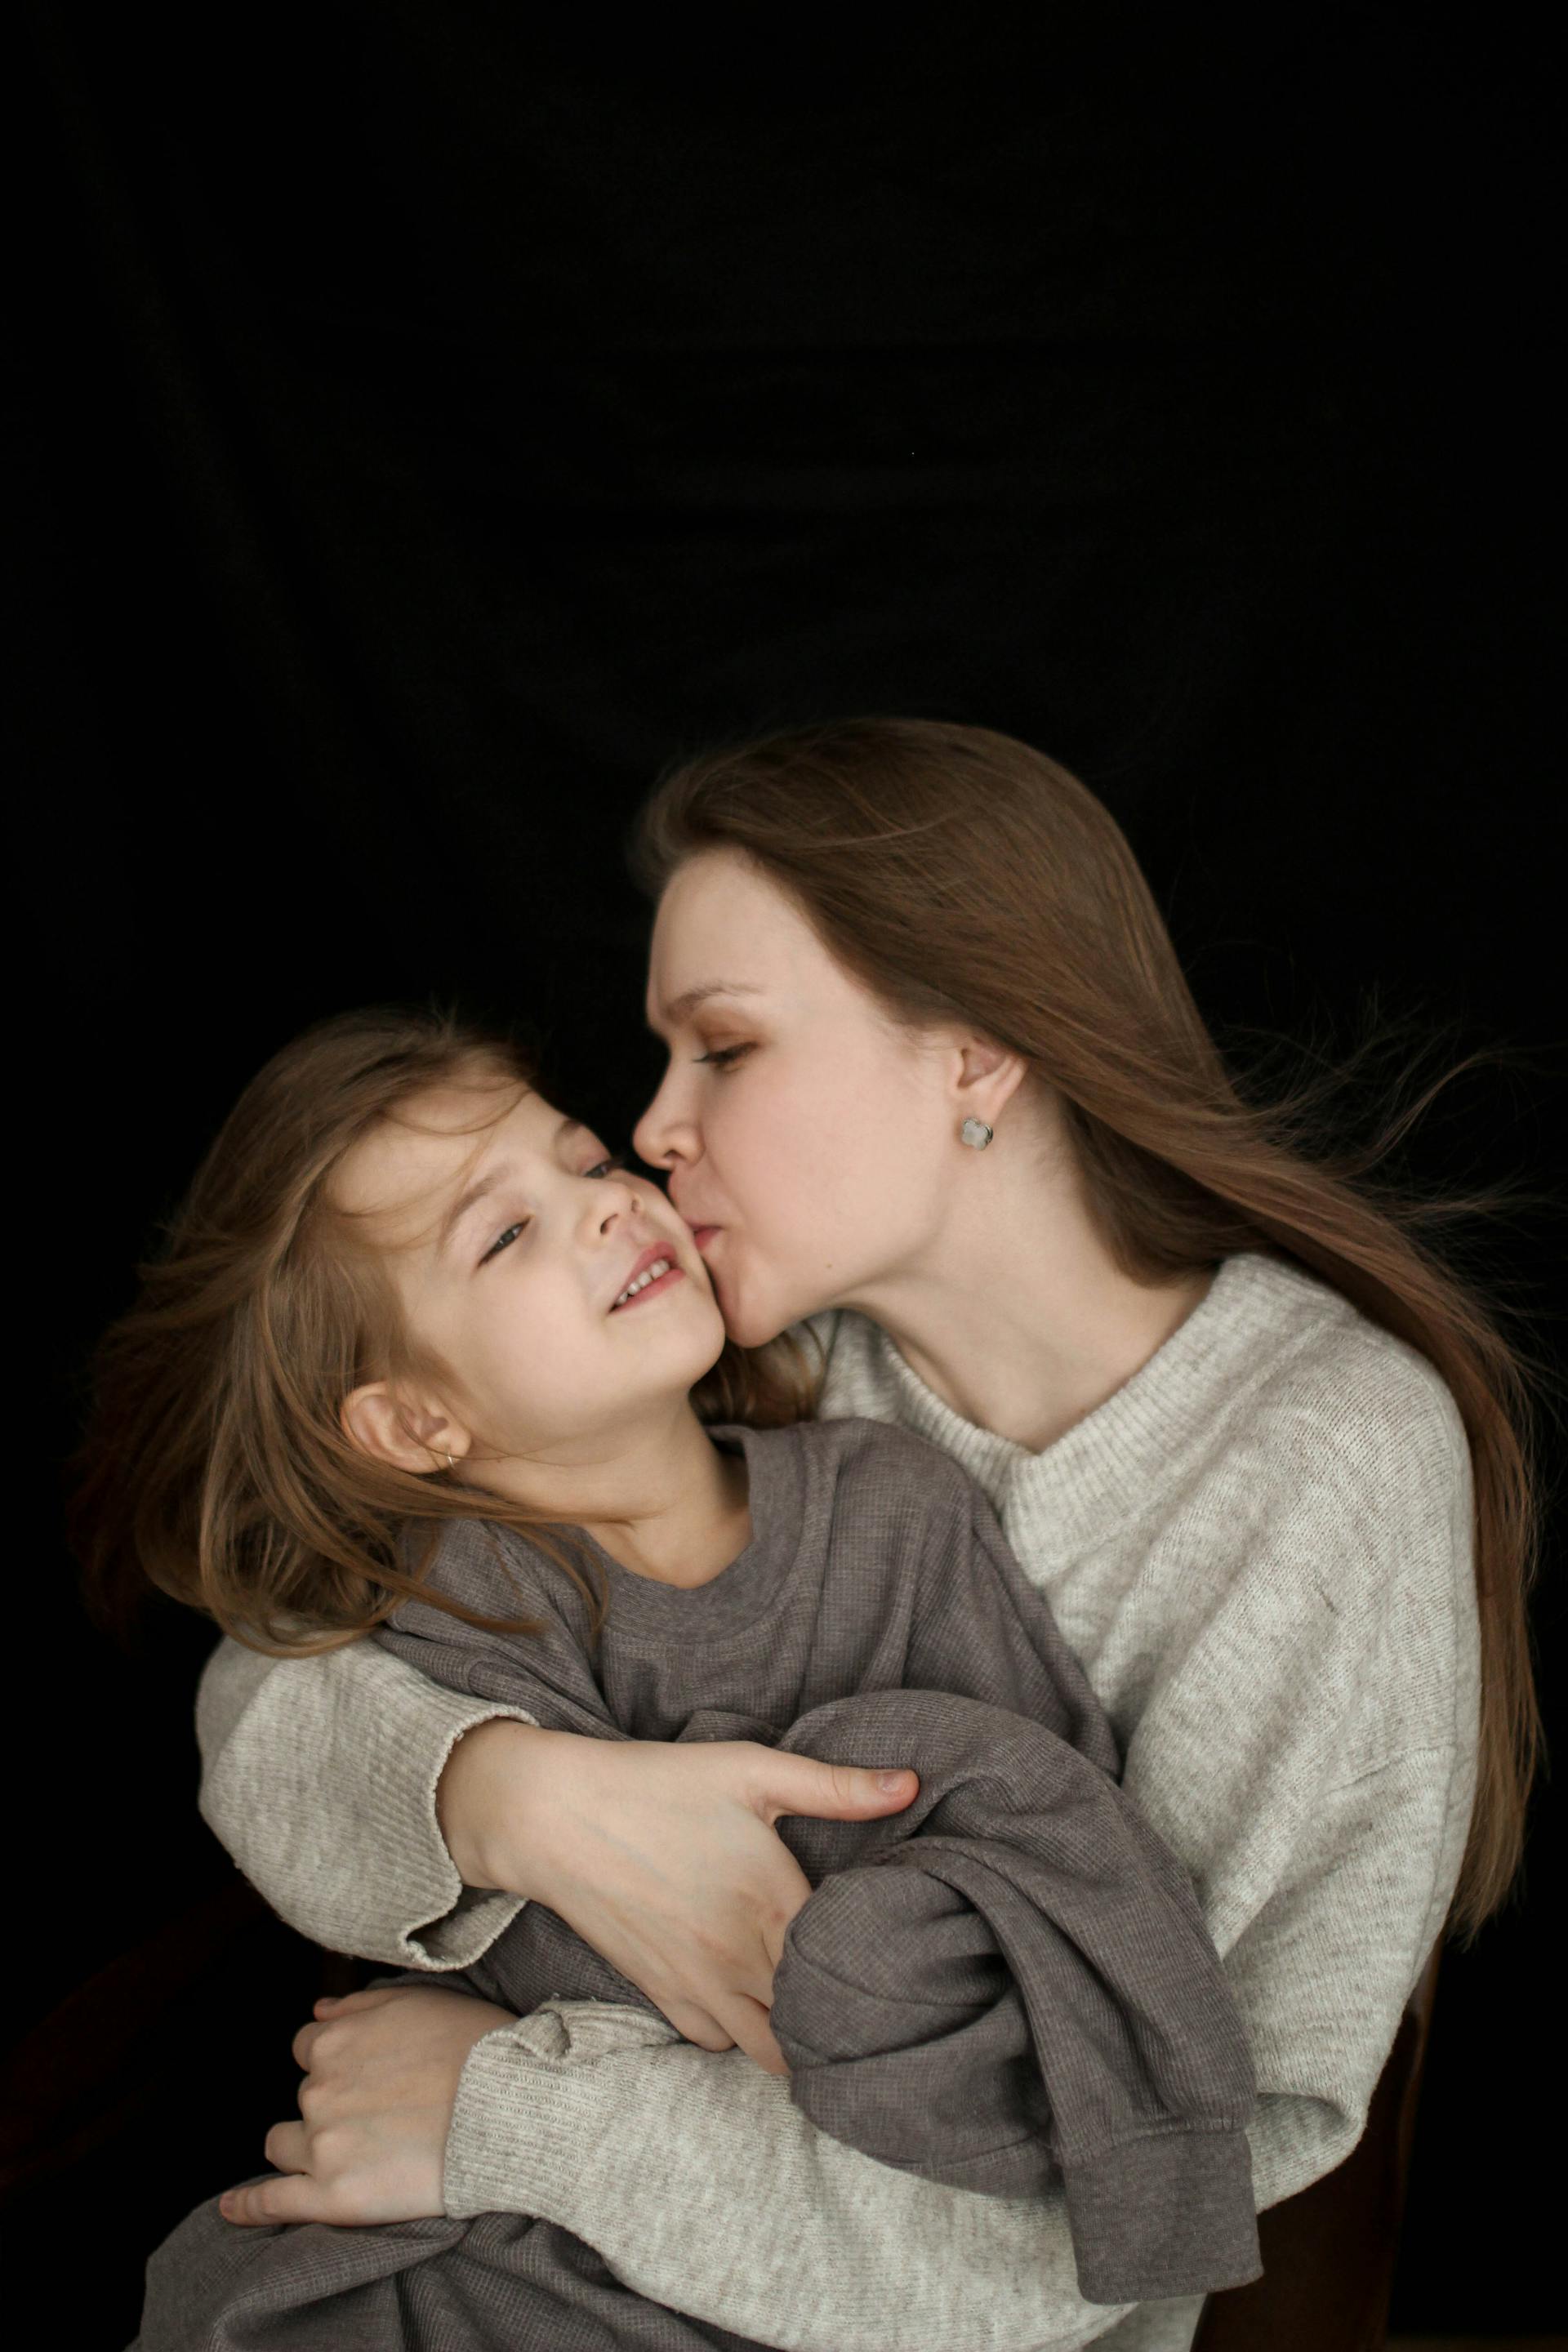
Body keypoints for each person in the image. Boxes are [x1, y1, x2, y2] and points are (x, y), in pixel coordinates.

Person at [97, 719, 1540, 2352]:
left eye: (723, 1047)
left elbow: (1148, 2162)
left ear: (973, 1050)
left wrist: (510, 2115)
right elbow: (284, 1688)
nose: (651, 1130)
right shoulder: (766, 1360)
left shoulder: (1317, 1464)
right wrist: (512, 1797)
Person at [81, 1011, 1263, 2345]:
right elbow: (329, 1803)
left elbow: (1053, 1852)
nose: (602, 1209)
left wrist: (889, 1953)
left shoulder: (890, 1510)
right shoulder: (445, 1603)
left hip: (788, 2251)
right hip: (490, 2248)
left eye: (583, 1164)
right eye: (504, 1233)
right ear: (417, 1419)